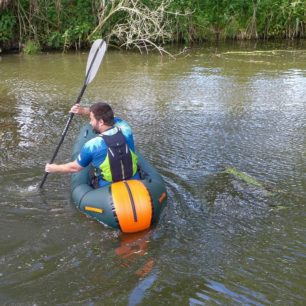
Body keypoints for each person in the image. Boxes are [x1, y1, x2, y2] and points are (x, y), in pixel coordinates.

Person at [45, 102, 139, 187]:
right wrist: (83, 111)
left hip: (108, 187)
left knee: (91, 168)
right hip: (134, 181)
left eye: (92, 119)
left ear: (101, 122)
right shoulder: (126, 129)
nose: (90, 122)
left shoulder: (93, 145)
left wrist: (53, 168)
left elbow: (75, 167)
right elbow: (112, 117)